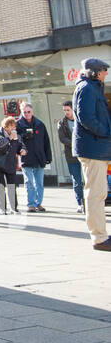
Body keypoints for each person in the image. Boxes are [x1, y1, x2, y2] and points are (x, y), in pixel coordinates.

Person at [72, 58, 111, 250]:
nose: (105, 74)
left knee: (98, 193)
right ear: (94, 72)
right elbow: (86, 117)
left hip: (96, 148)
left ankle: (100, 234)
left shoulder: (91, 87)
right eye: (103, 71)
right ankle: (99, 238)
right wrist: (105, 131)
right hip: (93, 148)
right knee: (95, 194)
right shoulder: (87, 88)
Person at [15, 100, 52, 213]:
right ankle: (31, 204)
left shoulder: (40, 124)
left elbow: (46, 141)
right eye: (24, 112)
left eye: (28, 112)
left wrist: (48, 157)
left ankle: (38, 203)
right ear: (22, 112)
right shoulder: (18, 125)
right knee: (29, 182)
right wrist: (24, 136)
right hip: (27, 158)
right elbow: (15, 140)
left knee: (39, 183)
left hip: (39, 157)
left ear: (32, 111)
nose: (26, 114)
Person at [0, 115, 27, 214]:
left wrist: (23, 150)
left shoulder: (16, 135)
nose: (13, 129)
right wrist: (9, 138)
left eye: (14, 127)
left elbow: (21, 145)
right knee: (0, 185)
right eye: (11, 127)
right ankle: (2, 208)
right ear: (5, 127)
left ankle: (14, 208)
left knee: (12, 185)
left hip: (10, 164)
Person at [57, 101, 84, 214]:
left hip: (85, 154)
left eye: (68, 110)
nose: (66, 112)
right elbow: (63, 139)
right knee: (76, 180)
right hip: (71, 155)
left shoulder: (80, 119)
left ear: (73, 109)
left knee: (89, 179)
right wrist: (77, 142)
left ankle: (91, 202)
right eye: (64, 110)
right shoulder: (62, 123)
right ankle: (80, 203)